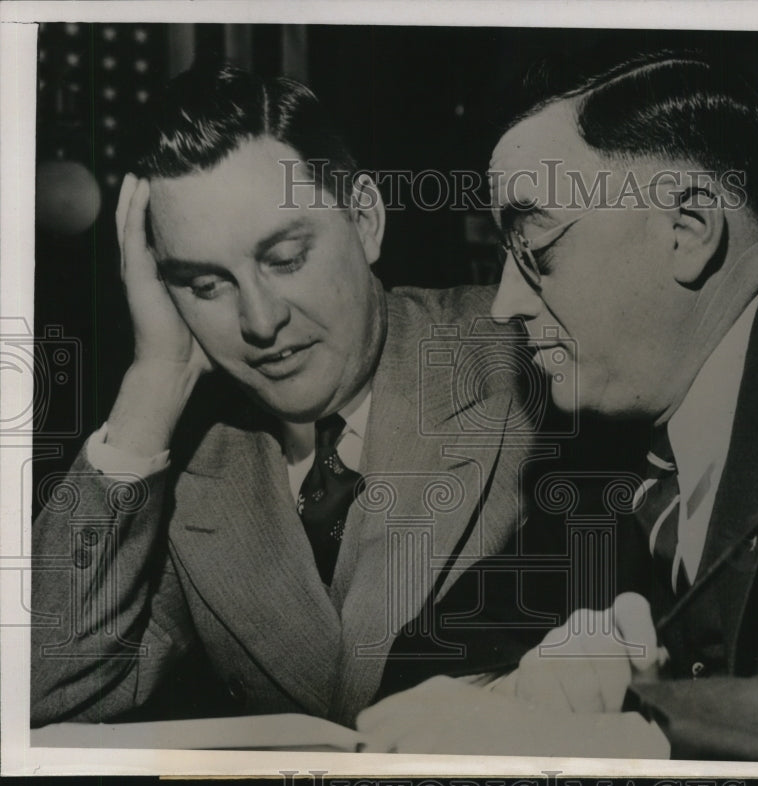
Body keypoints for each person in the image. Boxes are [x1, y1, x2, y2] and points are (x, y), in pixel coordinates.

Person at [357, 52, 758, 764]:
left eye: (534, 247)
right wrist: (522, 692)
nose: (504, 303)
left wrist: (638, 729)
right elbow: (420, 670)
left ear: (688, 230)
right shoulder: (605, 457)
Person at [30, 63, 534, 728]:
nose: (260, 321)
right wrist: (154, 380)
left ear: (365, 219)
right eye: (205, 285)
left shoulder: (531, 358)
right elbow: (40, 690)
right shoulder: (194, 466)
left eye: (286, 258)